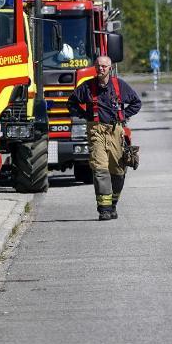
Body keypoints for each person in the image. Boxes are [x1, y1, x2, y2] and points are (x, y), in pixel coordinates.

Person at [67, 55, 142, 220]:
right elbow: (71, 103)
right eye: (98, 66)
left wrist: (123, 116)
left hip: (115, 131)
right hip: (96, 131)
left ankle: (113, 204)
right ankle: (104, 209)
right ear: (95, 67)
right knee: (100, 168)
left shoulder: (119, 85)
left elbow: (136, 102)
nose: (101, 69)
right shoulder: (87, 87)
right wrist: (85, 115)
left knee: (118, 170)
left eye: (104, 66)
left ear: (110, 68)